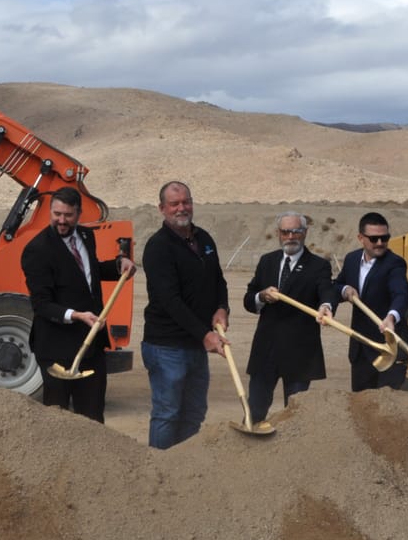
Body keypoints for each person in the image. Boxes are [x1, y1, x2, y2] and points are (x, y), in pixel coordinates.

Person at [21, 187, 136, 423]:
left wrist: (119, 265)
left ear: (79, 214)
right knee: (59, 420)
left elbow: (88, 273)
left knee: (92, 416)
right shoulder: (37, 250)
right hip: (56, 348)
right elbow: (41, 304)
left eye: (68, 215)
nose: (61, 220)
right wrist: (77, 315)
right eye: (57, 214)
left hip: (91, 345)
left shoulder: (85, 236)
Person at [141, 181, 229, 449]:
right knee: (167, 414)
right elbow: (170, 301)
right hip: (167, 346)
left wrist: (222, 308)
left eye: (186, 202)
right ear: (162, 208)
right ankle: (159, 471)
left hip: (195, 345)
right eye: (174, 204)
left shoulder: (204, 239)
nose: (182, 208)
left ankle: (183, 470)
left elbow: (218, 281)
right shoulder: (158, 247)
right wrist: (204, 335)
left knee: (194, 414)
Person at [243, 211, 337, 423]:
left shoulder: (318, 266)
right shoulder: (267, 261)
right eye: (286, 232)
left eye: (296, 231)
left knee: (294, 416)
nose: (291, 237)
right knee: (255, 410)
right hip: (265, 350)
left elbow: (327, 291)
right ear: (279, 233)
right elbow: (249, 299)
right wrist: (262, 296)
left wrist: (326, 306)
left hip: (300, 353)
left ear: (305, 233)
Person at [333, 211, 408, 392]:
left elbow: (400, 294)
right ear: (361, 237)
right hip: (361, 349)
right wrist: (345, 290)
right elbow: (336, 286)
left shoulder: (395, 263)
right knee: (361, 409)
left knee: (388, 408)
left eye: (384, 238)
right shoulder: (351, 259)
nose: (380, 243)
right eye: (374, 239)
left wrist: (391, 317)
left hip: (390, 349)